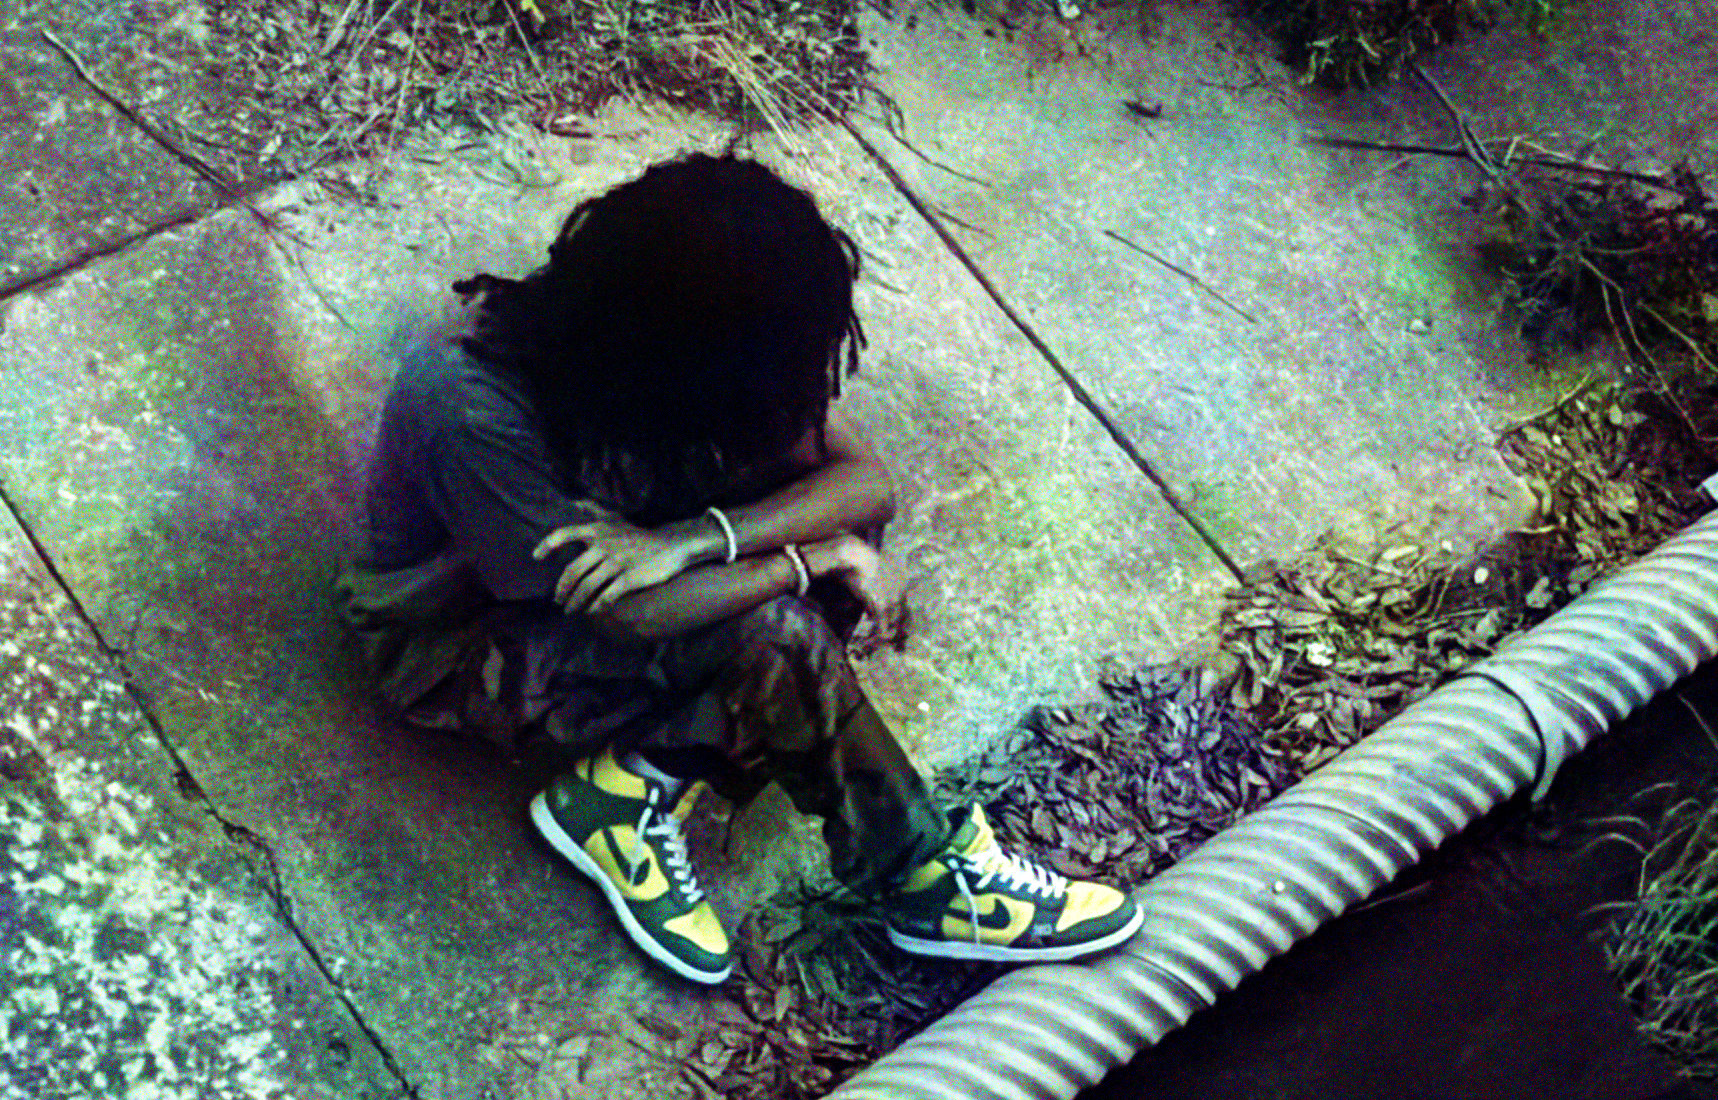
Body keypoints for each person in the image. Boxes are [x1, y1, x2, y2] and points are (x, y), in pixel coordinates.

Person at [335, 152, 1141, 984]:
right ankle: (923, 877)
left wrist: (696, 538)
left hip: (632, 541)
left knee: (831, 532)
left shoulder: (668, 349)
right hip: (472, 646)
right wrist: (804, 559)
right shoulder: (469, 403)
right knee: (781, 629)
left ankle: (629, 791)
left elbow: (865, 484)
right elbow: (626, 614)